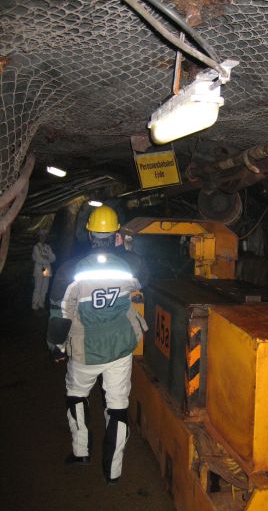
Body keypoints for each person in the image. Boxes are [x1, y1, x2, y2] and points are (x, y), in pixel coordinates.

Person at [46, 205, 148, 485]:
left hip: (84, 350)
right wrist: (122, 250)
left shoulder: (70, 271)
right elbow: (143, 280)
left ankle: (81, 453)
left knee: (76, 395)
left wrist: (56, 347)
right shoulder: (133, 264)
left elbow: (60, 314)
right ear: (117, 234)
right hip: (119, 348)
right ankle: (113, 472)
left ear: (89, 234)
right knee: (117, 407)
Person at [32, 229, 56, 311]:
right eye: (41, 236)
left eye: (44, 236)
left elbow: (53, 258)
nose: (43, 238)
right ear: (39, 237)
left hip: (46, 269)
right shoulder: (36, 247)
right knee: (38, 288)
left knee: (44, 287)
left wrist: (46, 258)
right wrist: (47, 258)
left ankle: (41, 303)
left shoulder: (48, 247)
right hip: (39, 269)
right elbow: (38, 259)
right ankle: (35, 305)